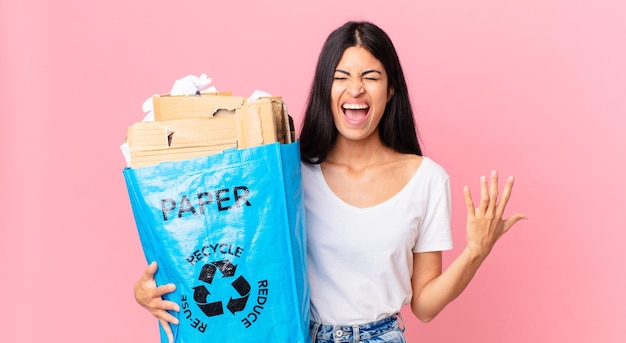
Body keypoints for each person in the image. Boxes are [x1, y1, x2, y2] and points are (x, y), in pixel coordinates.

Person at [134, 21, 527, 343]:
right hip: (301, 336)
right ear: (326, 88)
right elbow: (232, 247)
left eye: (370, 77)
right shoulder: (288, 174)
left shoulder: (427, 180)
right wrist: (150, 291)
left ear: (390, 90)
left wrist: (476, 251)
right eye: (342, 77)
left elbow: (424, 306)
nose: (355, 88)